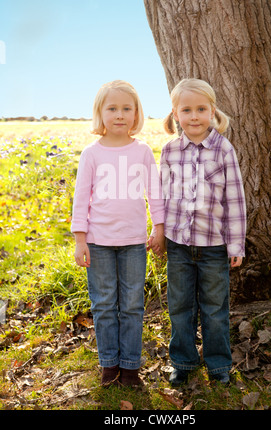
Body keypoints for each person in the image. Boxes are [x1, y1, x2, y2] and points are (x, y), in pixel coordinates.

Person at [71, 80, 165, 386]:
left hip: (134, 244)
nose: (120, 114)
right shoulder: (91, 153)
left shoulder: (142, 152)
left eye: (127, 108)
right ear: (100, 113)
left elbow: (155, 193)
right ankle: (109, 364)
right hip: (98, 244)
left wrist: (159, 227)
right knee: (103, 304)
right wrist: (80, 239)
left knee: (133, 305)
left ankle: (130, 368)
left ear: (136, 113)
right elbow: (80, 198)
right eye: (112, 108)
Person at [160, 78, 246, 386]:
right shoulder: (170, 151)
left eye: (201, 109)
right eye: (187, 110)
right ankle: (182, 361)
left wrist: (236, 245)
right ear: (176, 113)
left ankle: (219, 364)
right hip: (179, 246)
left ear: (212, 112)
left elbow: (234, 200)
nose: (194, 116)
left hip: (213, 247)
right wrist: (160, 232)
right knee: (180, 306)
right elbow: (163, 196)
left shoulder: (223, 149)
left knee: (214, 308)